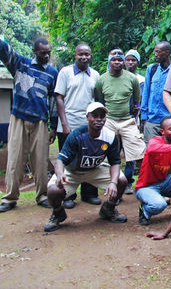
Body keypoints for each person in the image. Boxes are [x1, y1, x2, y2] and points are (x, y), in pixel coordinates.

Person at [0, 24, 58, 213]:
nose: (46, 56)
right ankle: (10, 198)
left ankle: (42, 195)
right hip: (18, 118)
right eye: (42, 53)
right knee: (15, 159)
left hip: (40, 120)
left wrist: (53, 125)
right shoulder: (21, 64)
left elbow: (53, 101)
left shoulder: (52, 73)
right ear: (35, 52)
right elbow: (7, 53)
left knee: (40, 161)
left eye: (48, 52)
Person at [43, 102, 128, 232]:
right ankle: (57, 213)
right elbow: (60, 161)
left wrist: (112, 182)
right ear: (87, 117)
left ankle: (109, 209)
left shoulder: (110, 137)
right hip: (73, 172)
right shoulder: (76, 136)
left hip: (95, 170)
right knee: (53, 190)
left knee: (121, 181)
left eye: (102, 116)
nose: (99, 119)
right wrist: (60, 175)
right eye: (95, 116)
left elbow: (115, 162)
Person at [54, 43, 101, 208]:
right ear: (75, 55)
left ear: (90, 55)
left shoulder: (95, 75)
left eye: (87, 54)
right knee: (69, 161)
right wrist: (65, 124)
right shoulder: (65, 72)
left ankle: (89, 194)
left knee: (90, 159)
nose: (84, 57)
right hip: (68, 124)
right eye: (81, 54)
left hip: (88, 126)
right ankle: (67, 195)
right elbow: (59, 98)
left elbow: (97, 101)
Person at [94, 49, 145, 195]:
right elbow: (99, 102)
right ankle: (113, 185)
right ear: (109, 61)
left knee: (139, 152)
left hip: (128, 121)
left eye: (119, 60)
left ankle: (144, 185)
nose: (117, 62)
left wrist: (133, 117)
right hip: (109, 120)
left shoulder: (132, 78)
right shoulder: (101, 79)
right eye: (114, 60)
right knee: (104, 152)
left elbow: (137, 101)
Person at [140, 41, 171, 143]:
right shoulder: (152, 69)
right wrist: (144, 117)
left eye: (158, 52)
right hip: (151, 120)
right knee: (151, 152)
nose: (155, 55)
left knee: (169, 153)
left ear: (167, 53)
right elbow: (146, 93)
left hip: (168, 120)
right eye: (155, 52)